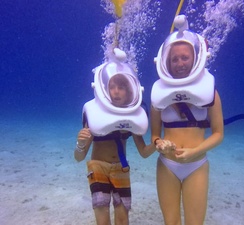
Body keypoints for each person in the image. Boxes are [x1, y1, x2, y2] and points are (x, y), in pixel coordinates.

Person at [150, 15, 224, 225]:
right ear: (166, 61)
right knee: (170, 222)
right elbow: (155, 134)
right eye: (175, 59)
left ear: (195, 58)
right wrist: (159, 143)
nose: (180, 63)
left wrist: (195, 151)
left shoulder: (210, 92)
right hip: (167, 165)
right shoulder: (158, 93)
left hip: (196, 164)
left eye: (185, 57)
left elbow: (219, 134)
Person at [74, 48, 156, 225]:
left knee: (122, 217)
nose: (116, 91)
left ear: (130, 90)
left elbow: (143, 151)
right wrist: (80, 143)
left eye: (121, 87)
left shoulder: (132, 115)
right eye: (112, 87)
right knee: (102, 217)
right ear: (105, 88)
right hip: (98, 167)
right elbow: (79, 157)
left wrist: (157, 143)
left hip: (121, 167)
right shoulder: (94, 113)